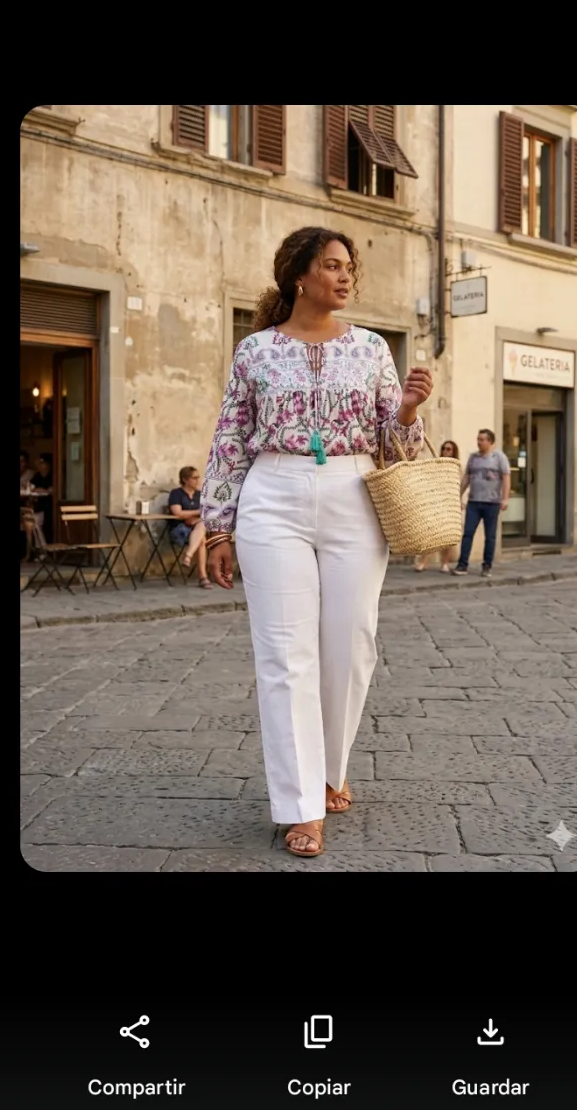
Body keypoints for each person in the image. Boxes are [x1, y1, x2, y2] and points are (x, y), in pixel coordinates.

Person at [201, 226, 433, 859]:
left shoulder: (372, 349)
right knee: (284, 654)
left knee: (351, 643)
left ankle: (332, 767)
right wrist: (217, 525)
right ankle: (302, 802)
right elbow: (228, 439)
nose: (345, 275)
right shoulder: (254, 351)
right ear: (299, 275)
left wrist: (409, 410)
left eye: (349, 266)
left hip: (355, 492)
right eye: (332, 265)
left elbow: (401, 448)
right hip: (271, 495)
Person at [453, 428, 510, 576]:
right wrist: (457, 495)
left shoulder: (499, 458)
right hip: (474, 502)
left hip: (492, 503)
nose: (479, 442)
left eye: (482, 440)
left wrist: (505, 498)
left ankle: (487, 566)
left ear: (490, 441)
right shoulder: (473, 458)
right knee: (467, 533)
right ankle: (462, 564)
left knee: (490, 536)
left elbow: (506, 477)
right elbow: (467, 477)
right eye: (478, 439)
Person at [414, 440, 461, 572]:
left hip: (450, 503)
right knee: (431, 533)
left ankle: (445, 563)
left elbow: (457, 486)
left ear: (454, 452)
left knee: (448, 535)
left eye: (449, 449)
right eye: (444, 449)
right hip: (436, 501)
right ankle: (424, 562)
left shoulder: (456, 467)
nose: (446, 451)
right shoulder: (436, 464)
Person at [168, 467, 211, 589]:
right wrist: (197, 513)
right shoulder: (176, 494)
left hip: (196, 528)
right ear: (185, 480)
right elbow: (177, 513)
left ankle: (188, 555)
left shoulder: (200, 494)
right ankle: (203, 577)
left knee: (201, 529)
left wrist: (196, 518)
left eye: (198, 477)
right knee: (202, 539)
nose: (197, 480)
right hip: (179, 530)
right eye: (194, 478)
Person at [29, 453, 54, 542]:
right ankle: (38, 550)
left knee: (36, 522)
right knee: (30, 521)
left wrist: (42, 490)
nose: (39, 465)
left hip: (49, 508)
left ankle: (43, 550)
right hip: (38, 507)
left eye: (41, 462)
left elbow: (52, 491)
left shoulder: (53, 475)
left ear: (48, 464)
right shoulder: (37, 476)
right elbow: (31, 487)